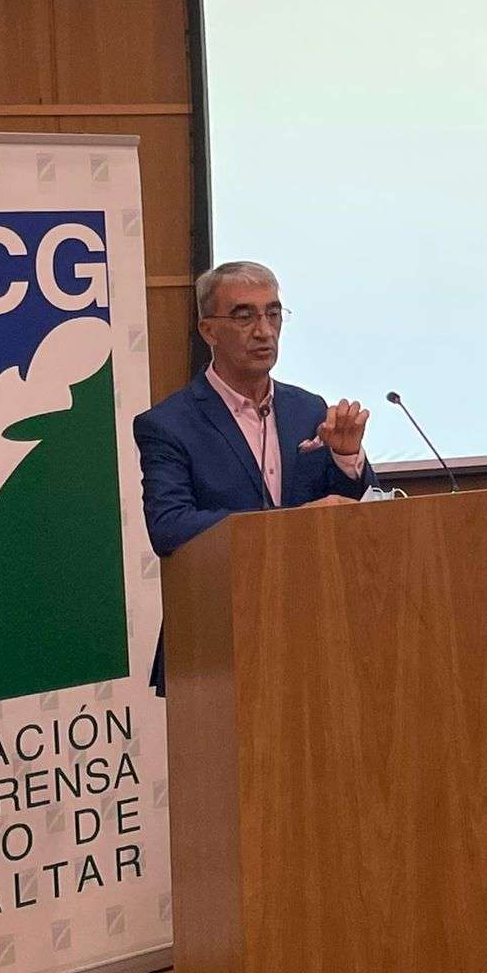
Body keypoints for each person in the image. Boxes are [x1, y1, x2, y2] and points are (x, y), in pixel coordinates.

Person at [135, 261, 378, 691]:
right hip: (216, 641)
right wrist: (293, 521)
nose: (264, 331)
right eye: (244, 316)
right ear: (208, 330)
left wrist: (346, 458)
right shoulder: (169, 424)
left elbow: (356, 508)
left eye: (273, 314)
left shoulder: (307, 408)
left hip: (316, 631)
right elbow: (169, 527)